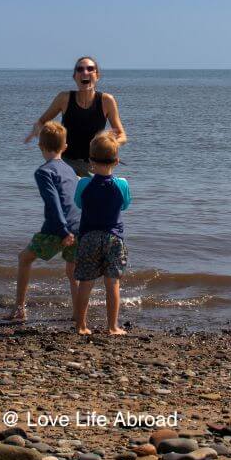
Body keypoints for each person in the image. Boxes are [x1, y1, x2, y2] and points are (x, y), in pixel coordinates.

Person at [6, 121, 81, 322]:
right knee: (72, 271)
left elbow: (54, 202)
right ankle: (78, 313)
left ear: (40, 146)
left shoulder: (44, 172)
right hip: (79, 225)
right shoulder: (70, 170)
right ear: (65, 147)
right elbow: (75, 200)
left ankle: (19, 309)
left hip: (58, 228)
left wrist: (63, 231)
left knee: (24, 259)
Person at [24, 56, 127, 177]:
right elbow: (41, 122)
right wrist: (44, 139)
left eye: (90, 69)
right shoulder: (64, 98)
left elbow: (122, 135)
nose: (85, 72)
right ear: (74, 77)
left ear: (97, 76)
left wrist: (108, 144)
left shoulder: (107, 101)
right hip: (66, 163)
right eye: (80, 69)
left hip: (94, 164)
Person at [72, 132, 131, 335]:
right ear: (116, 161)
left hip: (88, 237)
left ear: (90, 160)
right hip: (113, 238)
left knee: (85, 284)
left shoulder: (83, 183)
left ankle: (80, 326)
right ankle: (112, 326)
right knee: (112, 283)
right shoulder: (122, 184)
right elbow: (125, 205)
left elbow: (78, 203)